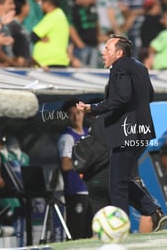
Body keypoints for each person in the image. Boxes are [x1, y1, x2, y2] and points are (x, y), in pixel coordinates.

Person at [76, 35, 167, 232]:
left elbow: (122, 96)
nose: (103, 52)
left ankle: (120, 229)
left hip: (127, 132)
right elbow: (149, 96)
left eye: (107, 49)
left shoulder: (119, 67)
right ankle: (152, 210)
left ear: (119, 53)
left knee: (116, 185)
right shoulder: (139, 66)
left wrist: (94, 108)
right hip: (142, 131)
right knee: (120, 178)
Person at [57, 99, 92, 239]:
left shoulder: (88, 133)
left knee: (89, 234)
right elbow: (65, 164)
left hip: (89, 190)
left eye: (78, 113)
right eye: (71, 114)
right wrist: (86, 162)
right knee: (76, 233)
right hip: (76, 191)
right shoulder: (67, 137)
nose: (76, 117)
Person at [31, 0, 70, 68]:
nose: (41, 6)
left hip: (49, 62)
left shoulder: (53, 16)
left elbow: (33, 36)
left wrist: (39, 38)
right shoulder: (60, 15)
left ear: (47, 3)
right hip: (57, 61)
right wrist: (40, 38)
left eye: (42, 3)